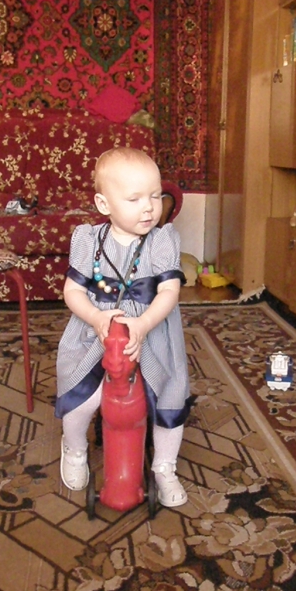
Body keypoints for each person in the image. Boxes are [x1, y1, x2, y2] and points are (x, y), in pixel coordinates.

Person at [55, 146, 191, 507]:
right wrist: (96, 317)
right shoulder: (88, 240)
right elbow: (72, 291)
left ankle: (164, 467)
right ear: (104, 204)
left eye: (155, 196)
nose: (148, 208)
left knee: (168, 396)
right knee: (82, 397)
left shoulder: (161, 240)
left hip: (152, 332)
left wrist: (144, 323)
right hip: (96, 332)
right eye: (134, 199)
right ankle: (75, 447)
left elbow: (169, 290)